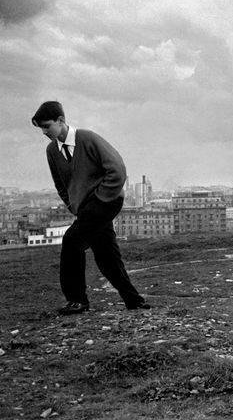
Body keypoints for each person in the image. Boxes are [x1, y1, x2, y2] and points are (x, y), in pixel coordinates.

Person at [32, 101, 150, 315]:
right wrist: (73, 206)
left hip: (107, 201)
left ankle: (77, 300)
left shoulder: (87, 138)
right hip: (85, 209)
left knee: (71, 241)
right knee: (106, 255)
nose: (44, 132)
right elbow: (60, 184)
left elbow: (117, 169)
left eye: (47, 126)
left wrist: (102, 198)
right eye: (41, 128)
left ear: (61, 120)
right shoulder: (52, 151)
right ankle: (134, 301)